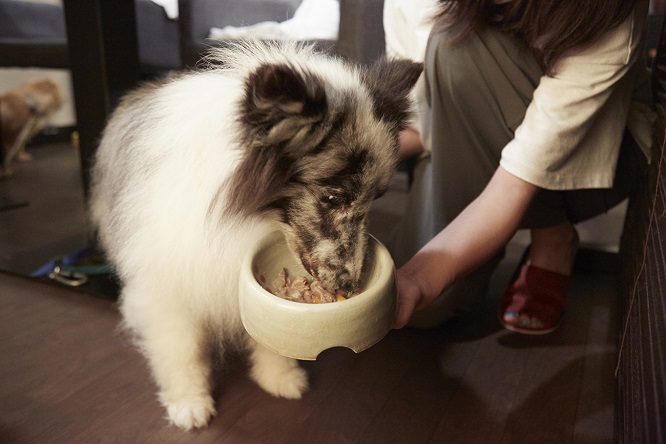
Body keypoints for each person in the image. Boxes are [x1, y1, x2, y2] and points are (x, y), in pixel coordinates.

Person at [390, 0, 656, 333]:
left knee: (457, 47)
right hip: (458, 138)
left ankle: (552, 233)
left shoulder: (610, 17)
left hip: (601, 153)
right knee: (409, 311)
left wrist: (418, 278)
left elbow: (514, 183)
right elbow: (418, 122)